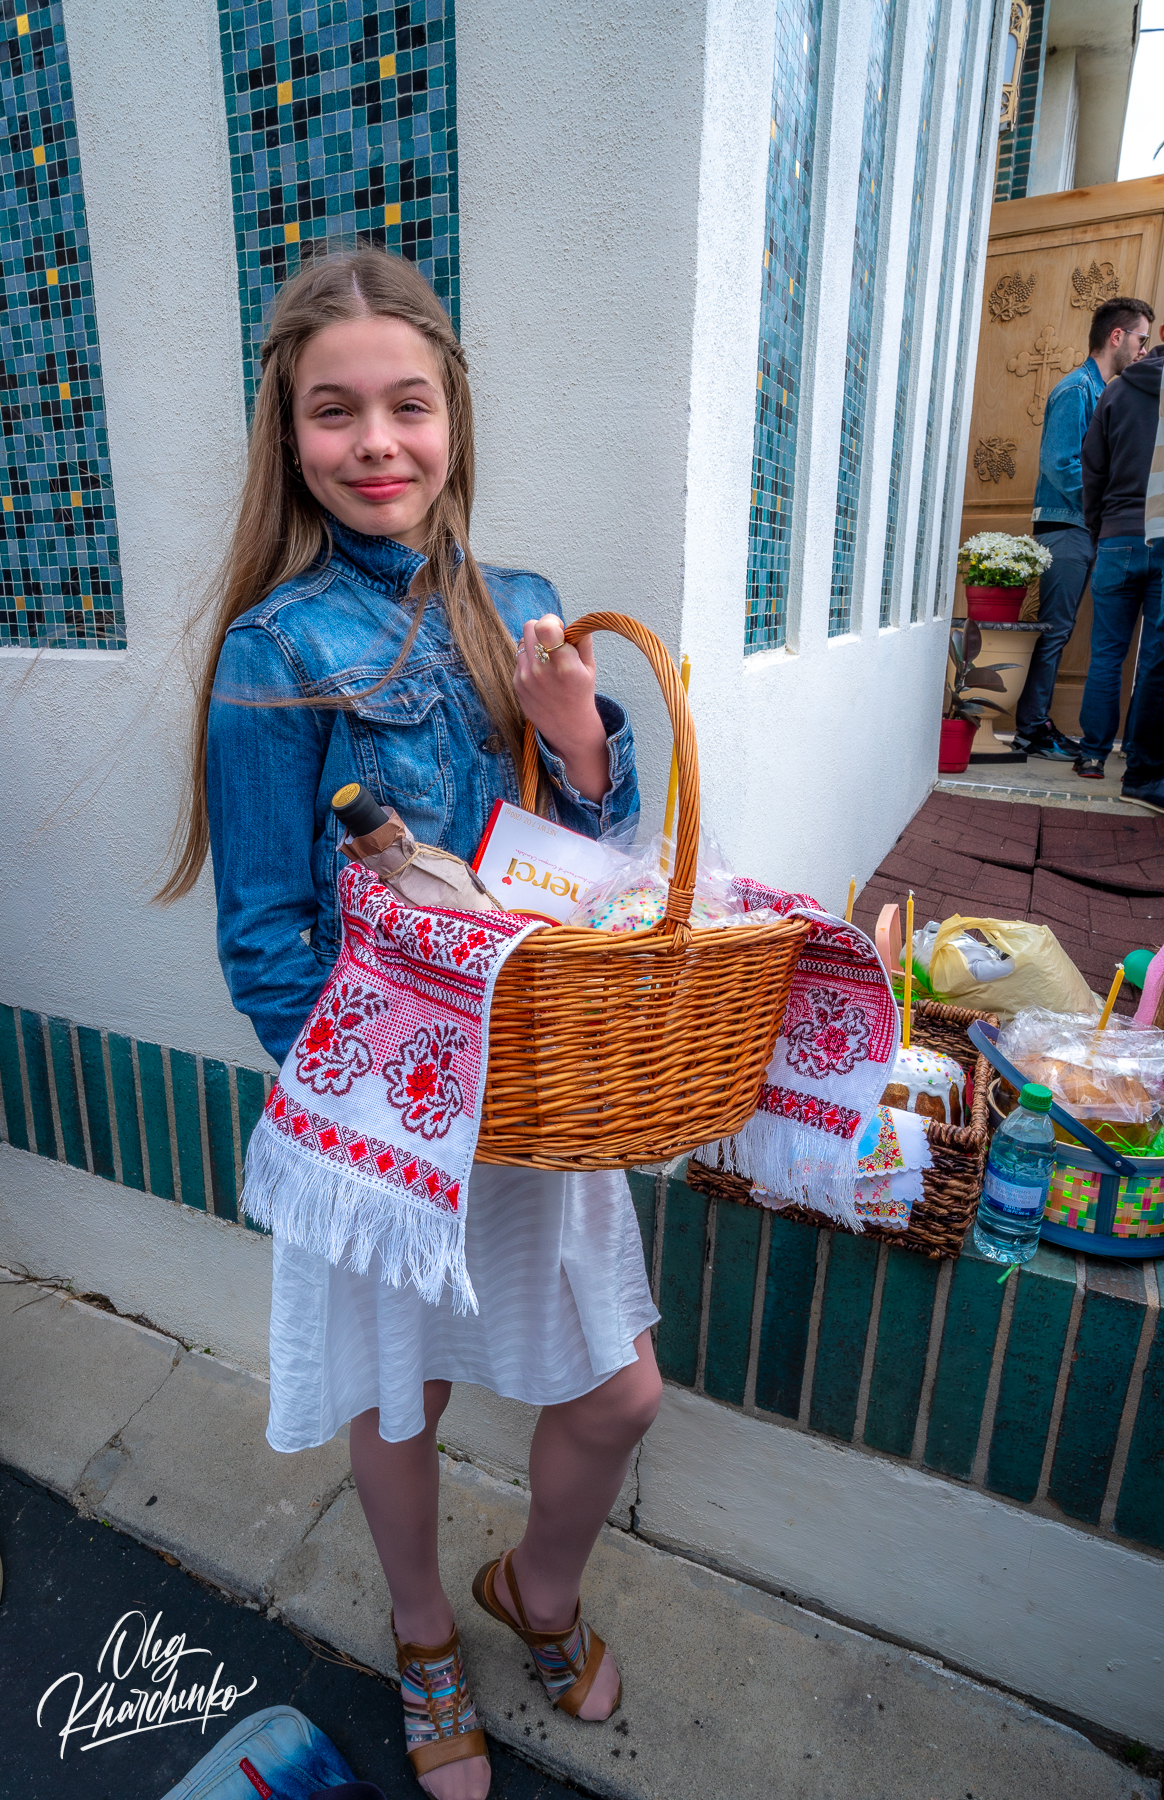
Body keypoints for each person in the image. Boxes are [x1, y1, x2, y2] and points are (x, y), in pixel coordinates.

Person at [159, 249, 663, 1800]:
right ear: (288, 431)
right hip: (393, 1122)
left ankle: (538, 1591)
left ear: (454, 415)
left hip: (543, 1100)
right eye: (336, 411)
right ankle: (427, 1631)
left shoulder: (527, 607)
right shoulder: (274, 651)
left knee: (621, 1392)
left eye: (407, 404)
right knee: (405, 1393)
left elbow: (594, 869)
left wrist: (583, 744)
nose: (376, 442)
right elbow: (266, 941)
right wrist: (380, 1107)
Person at [1012, 296, 1155, 759]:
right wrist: (1107, 507)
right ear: (1117, 336)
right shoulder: (1077, 389)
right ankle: (1031, 730)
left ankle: (1035, 725)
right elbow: (1060, 463)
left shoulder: (1103, 390)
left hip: (1083, 527)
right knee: (1055, 630)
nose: (1143, 349)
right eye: (1140, 338)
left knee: (1060, 629)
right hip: (1066, 527)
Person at [1075, 319, 1164, 804]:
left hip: (1115, 537)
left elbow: (1093, 469)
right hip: (1161, 534)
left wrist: (1100, 529)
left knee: (1107, 653)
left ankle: (1091, 755)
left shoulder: (1116, 390)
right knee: (1155, 656)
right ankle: (1139, 758)